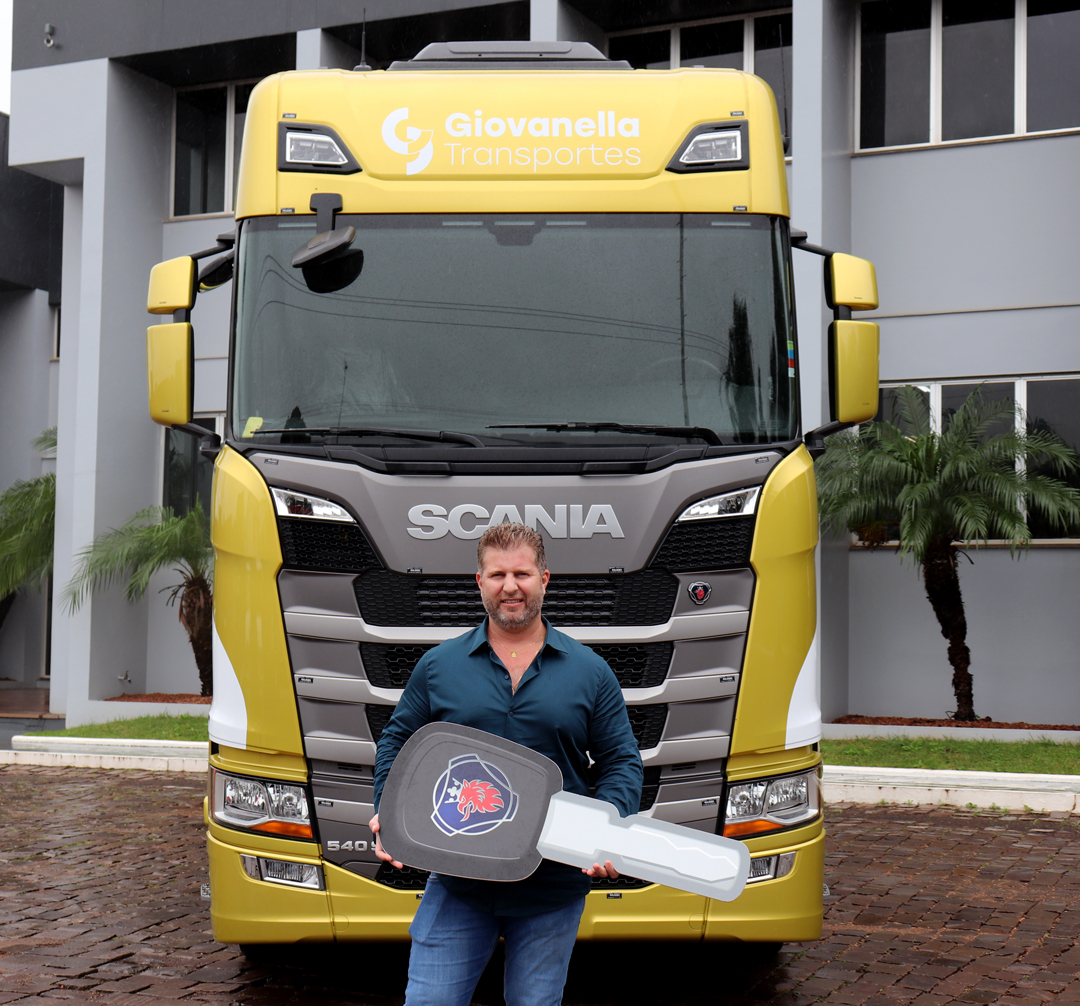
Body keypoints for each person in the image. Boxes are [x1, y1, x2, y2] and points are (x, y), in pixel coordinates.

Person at [369, 521, 643, 1006]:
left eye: (522, 574)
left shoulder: (590, 672)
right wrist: (389, 811)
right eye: (497, 575)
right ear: (480, 582)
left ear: (544, 579)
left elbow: (621, 760)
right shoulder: (439, 666)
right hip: (459, 879)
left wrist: (607, 827)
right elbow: (396, 742)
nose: (510, 587)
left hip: (552, 884)